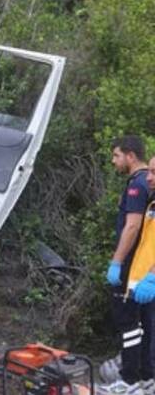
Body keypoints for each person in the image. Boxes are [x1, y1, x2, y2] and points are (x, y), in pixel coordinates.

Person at [97, 136, 152, 394]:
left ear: (130, 155)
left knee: (128, 320)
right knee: (143, 323)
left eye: (117, 155)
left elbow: (132, 227)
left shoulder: (137, 186)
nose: (114, 161)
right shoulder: (146, 186)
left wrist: (117, 261)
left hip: (134, 266)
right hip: (140, 266)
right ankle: (143, 376)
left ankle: (130, 379)